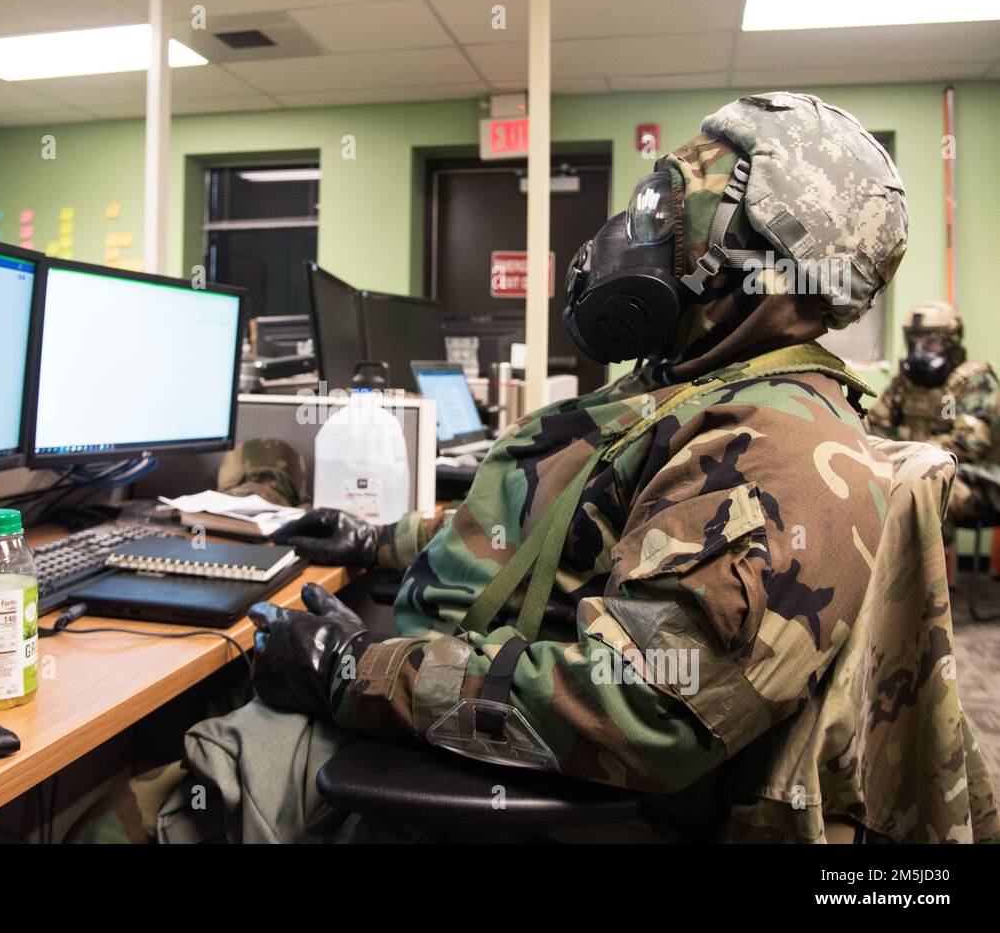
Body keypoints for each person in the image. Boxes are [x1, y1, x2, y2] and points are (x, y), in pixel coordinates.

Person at [144, 93, 994, 844]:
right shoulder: (694, 389)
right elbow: (546, 519)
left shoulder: (780, 453)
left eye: (675, 208)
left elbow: (638, 703)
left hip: (482, 768)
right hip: (438, 686)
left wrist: (349, 670)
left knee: (134, 796)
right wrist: (381, 540)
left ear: (766, 257)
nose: (641, 232)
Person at [868, 301, 1000, 531]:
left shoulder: (974, 382)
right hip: (912, 472)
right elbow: (875, 428)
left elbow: (969, 445)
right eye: (914, 341)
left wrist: (906, 454)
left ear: (951, 342)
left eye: (929, 343)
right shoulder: (905, 384)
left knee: (919, 491)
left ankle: (924, 565)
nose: (919, 351)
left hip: (976, 483)